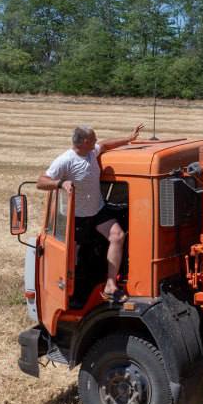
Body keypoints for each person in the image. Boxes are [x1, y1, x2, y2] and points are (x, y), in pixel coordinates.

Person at [38, 123, 143, 302]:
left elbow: (105, 144)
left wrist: (129, 139)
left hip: (97, 210)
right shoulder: (65, 160)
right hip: (76, 217)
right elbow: (41, 181)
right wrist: (60, 183)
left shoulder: (92, 151)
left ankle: (110, 285)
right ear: (85, 141)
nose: (96, 142)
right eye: (93, 139)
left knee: (117, 235)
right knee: (73, 259)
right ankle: (67, 295)